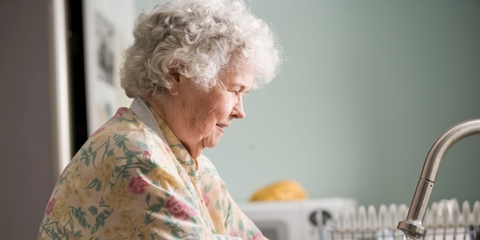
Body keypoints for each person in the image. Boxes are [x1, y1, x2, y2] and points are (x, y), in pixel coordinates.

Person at [38, 0, 281, 239]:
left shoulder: (196, 167)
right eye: (234, 90)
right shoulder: (137, 155)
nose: (240, 111)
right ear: (176, 75)